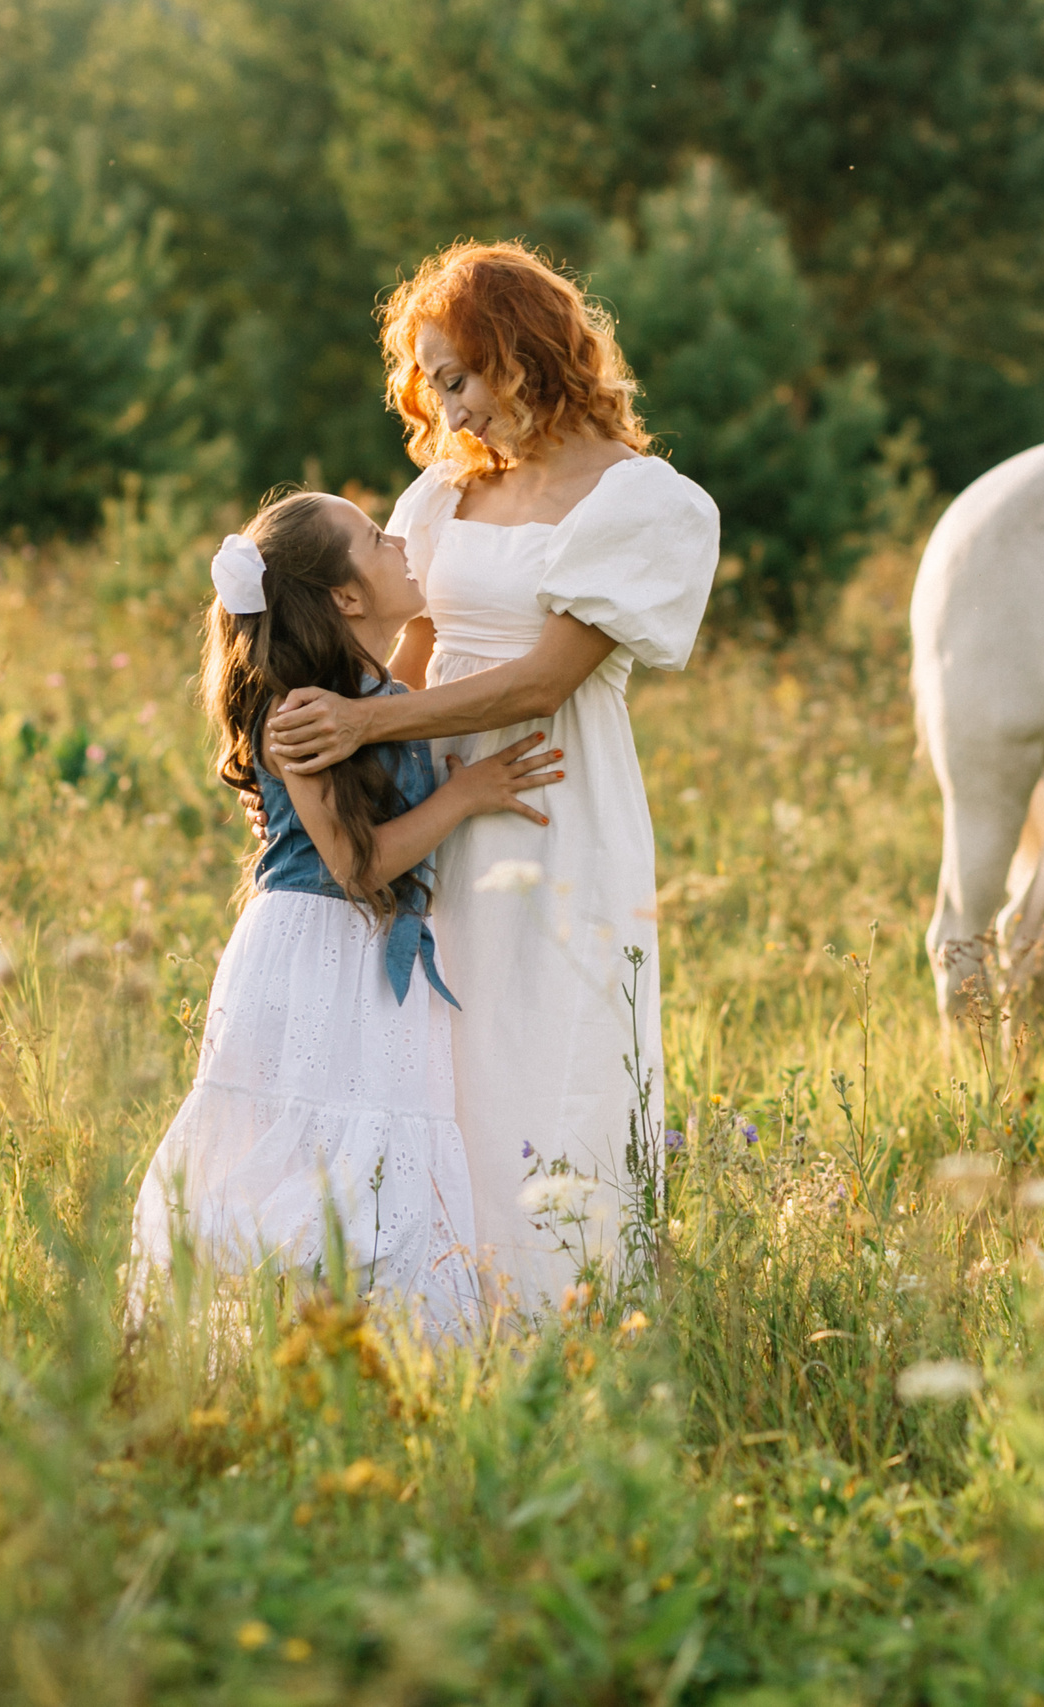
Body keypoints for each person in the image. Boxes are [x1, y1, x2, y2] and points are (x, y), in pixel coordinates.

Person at [264, 241, 720, 1313]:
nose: (446, 408)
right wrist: (333, 763)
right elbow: (404, 657)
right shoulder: (445, 493)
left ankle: (564, 1308)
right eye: (430, 384)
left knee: (548, 1045)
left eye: (457, 376)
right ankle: (437, 1304)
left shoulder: (638, 501)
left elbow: (542, 681)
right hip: (441, 804)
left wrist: (370, 728)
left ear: (521, 351)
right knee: (434, 1054)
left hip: (553, 801)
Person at [130, 486, 564, 1337]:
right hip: (316, 949)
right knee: (308, 1151)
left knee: (370, 1152)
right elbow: (358, 865)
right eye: (374, 535)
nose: (399, 540)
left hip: (370, 957)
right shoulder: (302, 708)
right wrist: (468, 792)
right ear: (348, 598)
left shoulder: (374, 694)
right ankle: (277, 1344)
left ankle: (371, 1352)